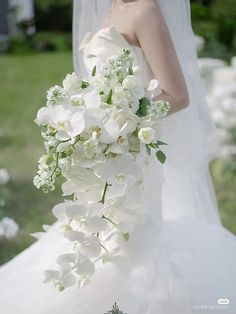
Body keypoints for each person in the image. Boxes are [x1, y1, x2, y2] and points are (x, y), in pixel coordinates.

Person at [0, 1, 236, 313]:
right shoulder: (110, 9)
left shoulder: (145, 11)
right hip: (100, 154)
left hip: (129, 157)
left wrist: (117, 118)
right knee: (91, 235)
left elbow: (177, 95)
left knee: (126, 247)